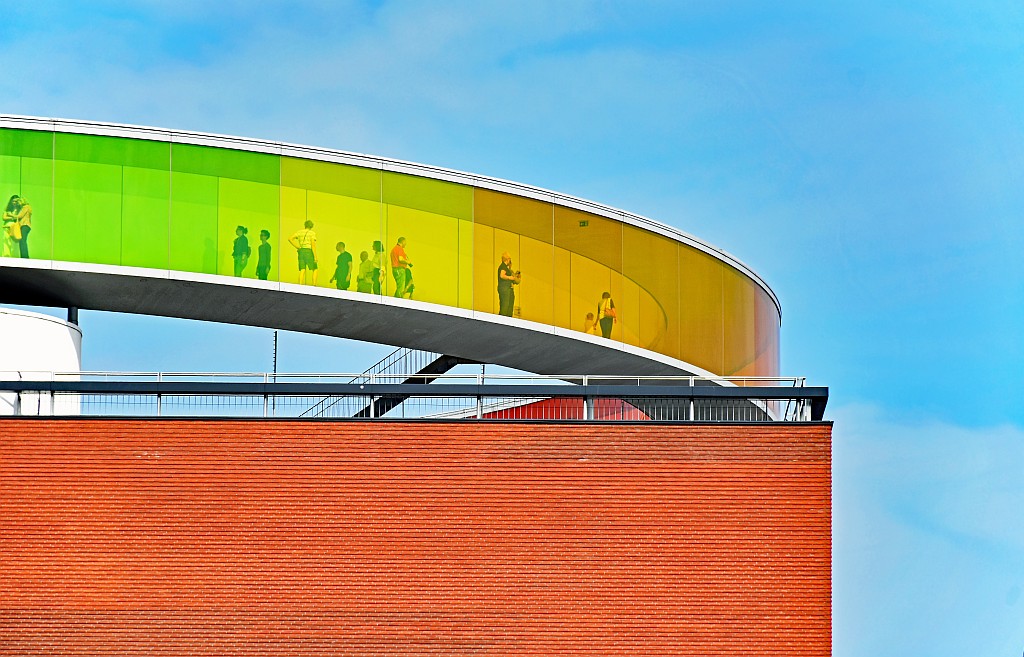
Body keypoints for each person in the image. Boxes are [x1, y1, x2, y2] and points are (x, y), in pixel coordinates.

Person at [289, 220, 318, 285]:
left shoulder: (299, 232)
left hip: (301, 251)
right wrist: (315, 257)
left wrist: (297, 247)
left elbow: (290, 238)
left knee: (302, 269)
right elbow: (313, 245)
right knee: (315, 268)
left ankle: (300, 284)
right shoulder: (312, 233)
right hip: (308, 251)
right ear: (311, 226)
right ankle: (314, 284)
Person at [497, 251, 520, 317]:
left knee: (508, 307)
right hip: (505, 290)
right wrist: (510, 277)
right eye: (509, 259)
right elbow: (502, 275)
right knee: (505, 307)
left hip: (508, 289)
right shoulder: (503, 267)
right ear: (507, 259)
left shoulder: (505, 268)